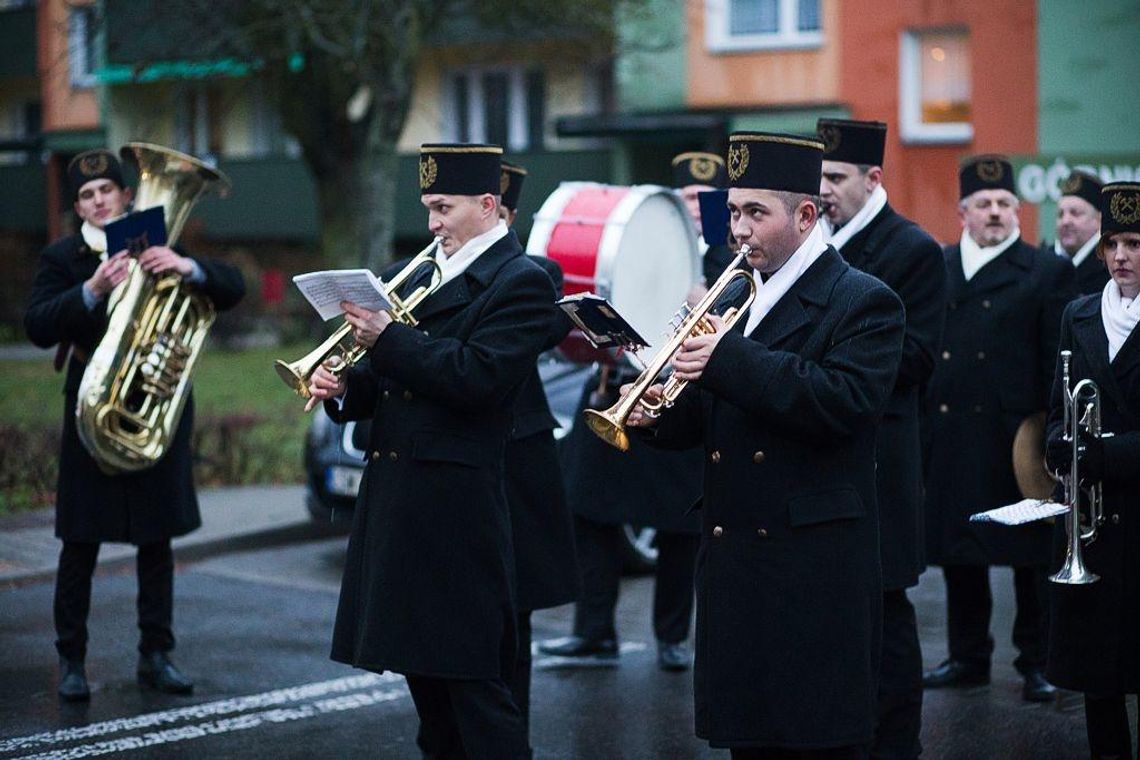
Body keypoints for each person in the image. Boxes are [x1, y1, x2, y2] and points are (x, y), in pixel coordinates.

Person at [628, 131, 906, 758]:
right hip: (736, 568)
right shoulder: (736, 295)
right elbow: (715, 416)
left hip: (809, 568)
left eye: (757, 212)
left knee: (813, 740)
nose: (740, 228)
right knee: (750, 741)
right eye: (733, 212)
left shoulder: (862, 300)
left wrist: (727, 359)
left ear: (806, 216)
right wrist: (657, 416)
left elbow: (842, 404)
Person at [306, 143, 555, 759]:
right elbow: (395, 381)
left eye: (443, 208)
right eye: (428, 208)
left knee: (478, 696)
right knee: (431, 705)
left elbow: (476, 377)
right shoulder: (422, 270)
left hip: (458, 513)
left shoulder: (520, 281)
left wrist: (388, 340)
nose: (432, 223)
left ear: (489, 205)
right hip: (401, 503)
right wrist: (344, 386)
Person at [23, 148, 246, 702]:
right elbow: (36, 325)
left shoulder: (157, 241)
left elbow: (232, 286)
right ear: (78, 206)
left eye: (107, 191)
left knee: (155, 541)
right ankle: (71, 659)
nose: (99, 202)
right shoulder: (64, 256)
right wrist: (91, 290)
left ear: (126, 196)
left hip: (152, 409)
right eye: (87, 196)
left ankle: (157, 654)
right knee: (80, 542)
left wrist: (187, 267)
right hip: (94, 410)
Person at [537, 155, 717, 673]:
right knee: (589, 512)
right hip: (612, 388)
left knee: (681, 529)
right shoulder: (647, 241)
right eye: (685, 201)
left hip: (679, 404)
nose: (695, 211)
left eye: (705, 202)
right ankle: (593, 634)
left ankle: (671, 638)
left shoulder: (729, 260)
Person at [922, 154, 1077, 702]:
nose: (994, 213)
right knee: (961, 551)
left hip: (1019, 438)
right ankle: (968, 656)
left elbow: (1056, 362)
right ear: (963, 212)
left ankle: (1037, 661)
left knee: (1029, 557)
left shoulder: (1045, 272)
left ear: (1018, 211)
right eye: (983, 204)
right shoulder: (937, 266)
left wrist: (1054, 431)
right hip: (952, 433)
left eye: (1004, 204)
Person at [817, 117, 947, 760]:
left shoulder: (911, 249)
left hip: (885, 456)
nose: (825, 190)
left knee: (887, 607)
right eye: (819, 178)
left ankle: (898, 742)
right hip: (832, 450)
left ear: (873, 179)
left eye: (837, 178)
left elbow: (920, 357)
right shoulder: (819, 243)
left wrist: (839, 358)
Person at [1043, 181, 1140, 760]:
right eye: (1113, 245)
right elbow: (1058, 405)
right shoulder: (1078, 313)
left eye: (1134, 242)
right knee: (1100, 676)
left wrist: (1109, 453)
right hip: (1096, 529)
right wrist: (1061, 445)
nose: (1122, 256)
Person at [498, 159, 580, 738]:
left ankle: (512, 734)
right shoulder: (425, 269)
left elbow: (547, 324)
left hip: (518, 462)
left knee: (513, 615)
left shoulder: (535, 272)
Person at [1043, 169, 1110, 295]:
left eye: (1075, 213)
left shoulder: (1111, 268)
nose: (1065, 221)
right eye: (1060, 214)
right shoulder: (1041, 264)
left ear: (1099, 220)